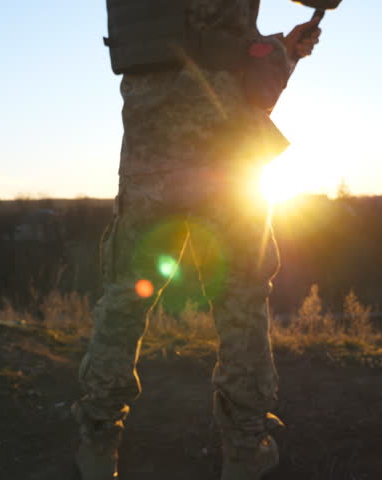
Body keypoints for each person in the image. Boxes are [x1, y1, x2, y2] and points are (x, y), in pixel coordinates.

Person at [73, 1, 321, 478]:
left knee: (126, 294)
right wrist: (280, 50)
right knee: (241, 297)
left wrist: (277, 51)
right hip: (226, 146)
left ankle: (98, 442)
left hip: (151, 142)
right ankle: (246, 449)